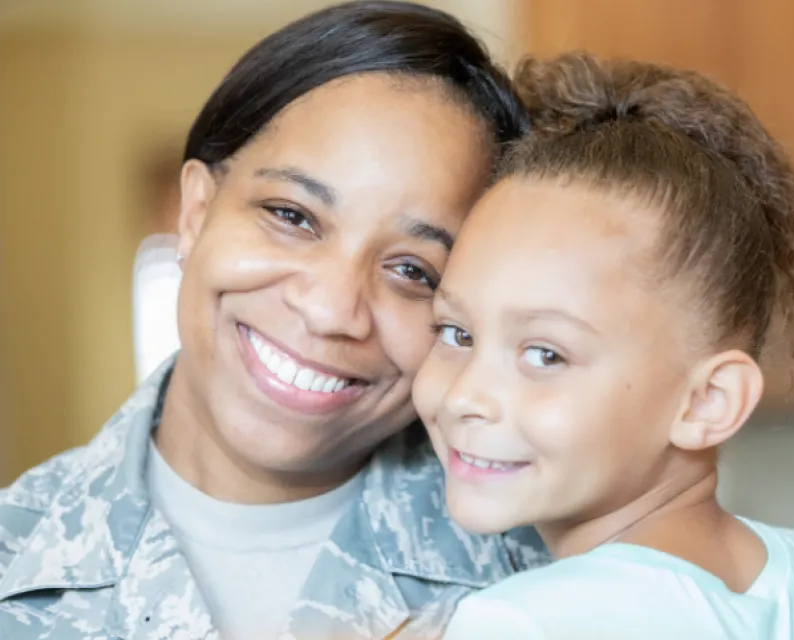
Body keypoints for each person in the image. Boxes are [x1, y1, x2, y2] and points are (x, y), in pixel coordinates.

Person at [0, 3, 549, 639]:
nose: (330, 310)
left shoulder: (552, 571)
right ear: (195, 212)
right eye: (293, 216)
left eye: (414, 272)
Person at [412, 53, 794, 638]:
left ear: (708, 401)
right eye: (456, 334)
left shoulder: (521, 622)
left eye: (546, 354)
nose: (463, 397)